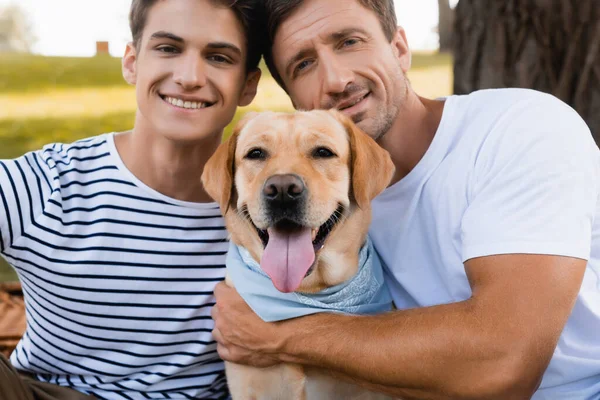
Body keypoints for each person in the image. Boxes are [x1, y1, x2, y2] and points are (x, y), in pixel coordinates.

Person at [210, 0, 600, 398]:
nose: (336, 79)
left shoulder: (519, 130)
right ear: (293, 96)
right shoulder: (324, 205)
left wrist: (278, 337)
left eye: (349, 41)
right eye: (303, 65)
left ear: (399, 48)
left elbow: (504, 366)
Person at [0, 0, 262, 398]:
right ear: (132, 62)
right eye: (168, 49)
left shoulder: (266, 206)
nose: (190, 77)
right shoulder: (48, 184)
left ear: (248, 84)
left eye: (219, 57)